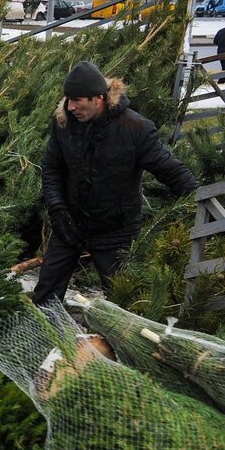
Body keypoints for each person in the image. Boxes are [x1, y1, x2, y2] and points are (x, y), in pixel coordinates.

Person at [33, 60, 197, 306]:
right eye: (68, 99)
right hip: (70, 222)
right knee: (45, 293)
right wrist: (57, 209)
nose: (70, 106)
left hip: (116, 229)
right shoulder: (63, 123)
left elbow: (170, 169)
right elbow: (52, 168)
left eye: (77, 100)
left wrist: (200, 201)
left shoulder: (136, 129)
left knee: (123, 301)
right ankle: (43, 336)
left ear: (98, 98)